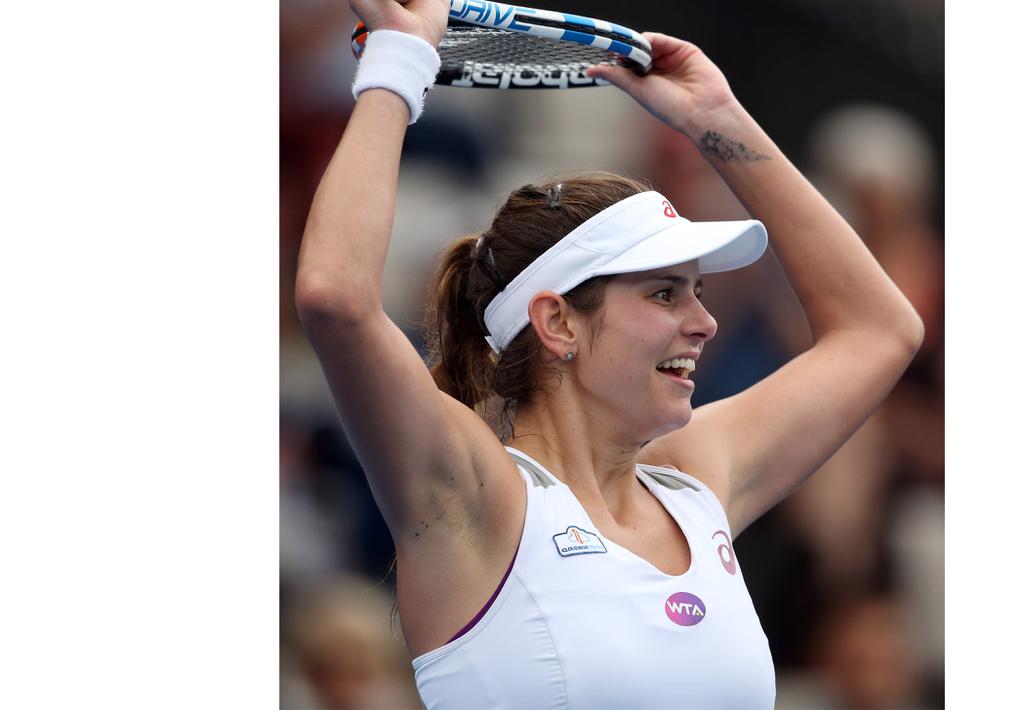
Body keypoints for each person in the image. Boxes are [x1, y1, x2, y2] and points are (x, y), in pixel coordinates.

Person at [295, 1, 924, 707]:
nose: (704, 322)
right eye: (664, 294)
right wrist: (399, 64)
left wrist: (716, 119)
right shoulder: (473, 494)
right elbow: (335, 299)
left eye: (697, 291)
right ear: (557, 322)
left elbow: (880, 329)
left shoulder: (696, 481)